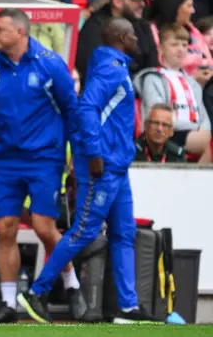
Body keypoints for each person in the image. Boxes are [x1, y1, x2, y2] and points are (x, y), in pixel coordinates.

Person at [17, 17, 162, 324]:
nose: (139, 41)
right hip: (103, 167)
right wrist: (94, 154)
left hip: (116, 167)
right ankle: (37, 291)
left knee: (125, 233)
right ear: (122, 37)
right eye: (134, 36)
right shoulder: (110, 70)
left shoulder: (115, 67)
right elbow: (87, 108)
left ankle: (127, 306)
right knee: (84, 232)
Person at [0, 8, 86, 324]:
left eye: (0, 29)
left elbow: (72, 110)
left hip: (45, 158)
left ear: (20, 32)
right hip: (6, 160)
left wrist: (77, 153)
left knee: (44, 228)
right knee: (5, 228)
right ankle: (7, 303)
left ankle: (72, 285)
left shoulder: (50, 64)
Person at [134, 23, 211, 158]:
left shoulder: (193, 82)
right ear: (161, 48)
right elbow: (156, 116)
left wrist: (203, 130)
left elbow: (203, 116)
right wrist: (195, 128)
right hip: (166, 132)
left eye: (184, 45)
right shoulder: (153, 78)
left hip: (195, 133)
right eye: (174, 45)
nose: (180, 49)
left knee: (207, 144)